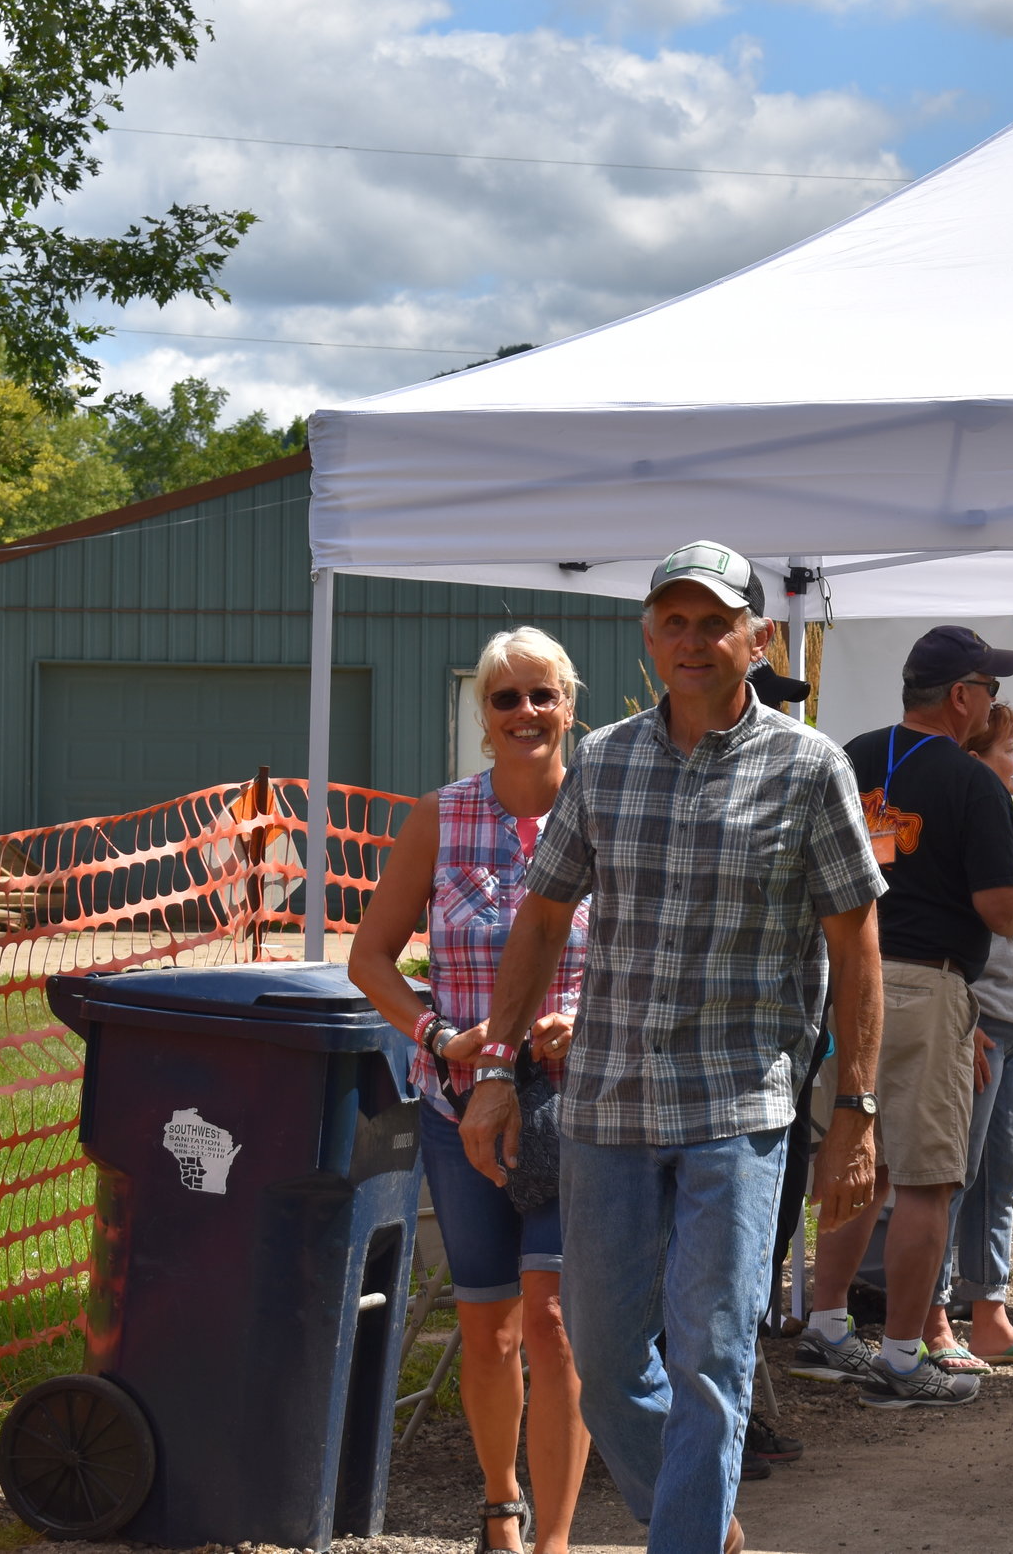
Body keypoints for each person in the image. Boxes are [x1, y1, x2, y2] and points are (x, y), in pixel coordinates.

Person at [462, 541, 888, 1554]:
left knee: (710, 1349)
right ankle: (700, 1518)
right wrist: (494, 1070)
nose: (693, 641)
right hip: (607, 1103)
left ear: (757, 636)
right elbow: (542, 917)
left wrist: (857, 1109)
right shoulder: (604, 758)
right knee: (608, 1356)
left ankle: (684, 1539)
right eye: (674, 622)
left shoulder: (806, 765)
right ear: (649, 636)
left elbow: (856, 942)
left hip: (740, 1105)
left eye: (714, 622)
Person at [350, 627, 591, 1554]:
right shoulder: (439, 817)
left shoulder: (605, 810)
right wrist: (439, 1034)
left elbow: (650, 954)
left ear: (570, 705)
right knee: (487, 1324)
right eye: (505, 698)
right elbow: (369, 958)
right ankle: (501, 1500)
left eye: (542, 695)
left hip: (577, 1106)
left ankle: (558, 1538)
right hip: (460, 1111)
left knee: (556, 1322)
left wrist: (590, 1019)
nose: (525, 713)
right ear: (482, 718)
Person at [796, 625, 1013, 1408]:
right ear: (961, 696)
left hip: (844, 979)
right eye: (989, 689)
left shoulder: (847, 756)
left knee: (853, 1157)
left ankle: (827, 1324)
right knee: (929, 1176)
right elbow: (1001, 908)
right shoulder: (974, 785)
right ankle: (904, 1351)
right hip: (928, 984)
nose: (991, 704)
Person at [919, 702, 1013, 1368]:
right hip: (979, 1025)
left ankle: (990, 1312)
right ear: (976, 759)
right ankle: (932, 1317)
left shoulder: (1002, 825)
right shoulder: (961, 823)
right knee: (951, 1171)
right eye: (1010, 749)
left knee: (997, 1170)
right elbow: (943, 933)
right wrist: (966, 1014)